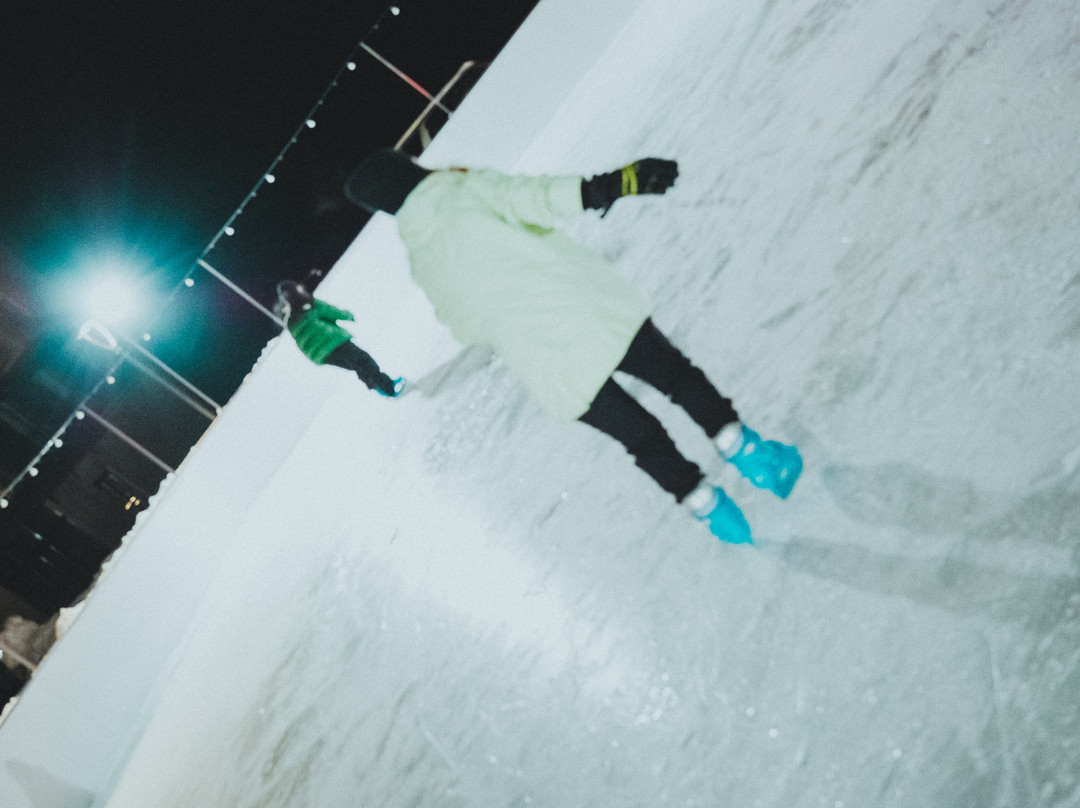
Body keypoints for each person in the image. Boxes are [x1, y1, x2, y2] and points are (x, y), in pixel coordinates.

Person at [344, 149, 801, 543]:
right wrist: (616, 184)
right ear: (411, 168)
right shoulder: (463, 191)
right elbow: (538, 197)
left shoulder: (422, 260)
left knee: (641, 438)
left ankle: (717, 515)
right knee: (677, 379)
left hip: (545, 361)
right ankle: (753, 456)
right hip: (590, 312)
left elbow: (464, 326)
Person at [274, 277, 405, 397]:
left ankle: (380, 386)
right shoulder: (308, 303)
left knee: (358, 365)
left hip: (320, 355)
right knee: (363, 360)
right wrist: (348, 315)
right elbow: (330, 311)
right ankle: (388, 387)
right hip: (333, 342)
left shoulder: (289, 320)